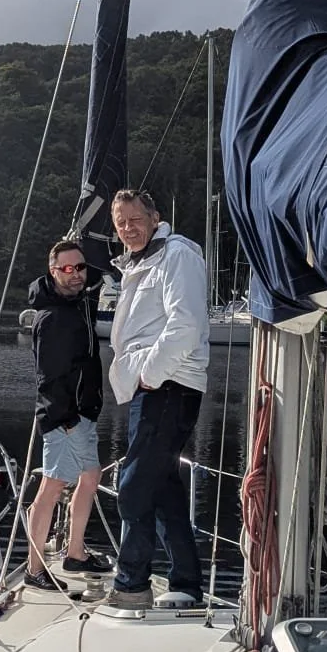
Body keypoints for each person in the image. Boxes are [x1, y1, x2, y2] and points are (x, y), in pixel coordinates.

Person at [99, 189, 211, 611]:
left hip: (167, 386)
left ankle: (131, 584)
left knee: (132, 487)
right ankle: (186, 585)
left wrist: (150, 375)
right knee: (162, 489)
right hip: (151, 389)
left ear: (154, 217)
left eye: (135, 219)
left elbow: (185, 323)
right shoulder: (141, 261)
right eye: (121, 223)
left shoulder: (177, 254)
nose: (128, 228)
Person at [24, 239, 113, 592]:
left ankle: (75, 552)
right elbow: (49, 377)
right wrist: (66, 419)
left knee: (90, 478)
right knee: (51, 487)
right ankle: (34, 567)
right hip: (65, 418)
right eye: (66, 269)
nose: (75, 274)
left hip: (83, 414)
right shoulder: (53, 318)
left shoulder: (79, 305)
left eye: (80, 267)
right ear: (53, 271)